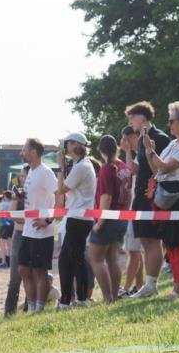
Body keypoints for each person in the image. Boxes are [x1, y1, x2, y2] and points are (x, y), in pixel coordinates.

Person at [143, 102, 179, 300]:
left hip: (178, 199)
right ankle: (176, 286)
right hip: (166, 197)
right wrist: (150, 151)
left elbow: (165, 168)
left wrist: (152, 152)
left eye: (172, 120)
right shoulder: (174, 144)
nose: (169, 124)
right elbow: (156, 169)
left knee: (177, 244)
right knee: (170, 244)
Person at [126, 102, 172, 298]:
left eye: (132, 117)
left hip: (152, 196)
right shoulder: (140, 140)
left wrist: (148, 150)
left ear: (143, 118)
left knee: (153, 240)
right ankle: (149, 284)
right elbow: (134, 169)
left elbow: (161, 170)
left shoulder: (160, 138)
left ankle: (151, 285)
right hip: (140, 196)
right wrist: (128, 149)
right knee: (145, 240)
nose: (130, 122)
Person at [55, 133, 97, 309]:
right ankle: (72, 299)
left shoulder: (81, 166)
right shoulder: (81, 164)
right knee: (69, 259)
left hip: (79, 218)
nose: (65, 147)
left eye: (68, 144)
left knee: (73, 259)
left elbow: (61, 190)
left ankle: (77, 299)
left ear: (76, 145)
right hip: (78, 217)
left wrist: (60, 167)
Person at [89, 135, 132, 303]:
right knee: (112, 259)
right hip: (121, 216)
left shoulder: (107, 168)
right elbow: (128, 194)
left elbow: (106, 197)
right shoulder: (124, 168)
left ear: (101, 151)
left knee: (96, 259)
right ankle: (114, 296)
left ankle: (107, 298)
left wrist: (100, 222)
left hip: (108, 217)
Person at [18, 139, 57, 312]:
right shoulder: (31, 172)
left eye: (24, 149)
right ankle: (32, 306)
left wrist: (48, 220)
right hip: (27, 229)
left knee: (40, 272)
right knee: (24, 270)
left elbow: (61, 199)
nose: (22, 152)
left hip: (42, 231)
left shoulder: (45, 172)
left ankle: (39, 308)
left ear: (34, 152)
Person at [119, 127, 144, 296]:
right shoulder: (138, 155)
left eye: (125, 139)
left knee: (133, 251)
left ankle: (126, 288)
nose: (124, 143)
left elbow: (130, 171)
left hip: (138, 208)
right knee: (134, 251)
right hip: (133, 208)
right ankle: (140, 285)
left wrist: (127, 151)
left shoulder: (140, 153)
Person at [3, 174, 28, 316]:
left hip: (32, 235)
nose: (23, 179)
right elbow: (13, 217)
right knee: (14, 279)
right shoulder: (18, 194)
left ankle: (28, 308)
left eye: (25, 175)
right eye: (22, 176)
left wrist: (25, 220)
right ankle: (9, 311)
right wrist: (15, 198)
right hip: (18, 235)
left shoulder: (36, 193)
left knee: (30, 276)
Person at [0, 191, 14, 268]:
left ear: (5, 196)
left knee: (2, 244)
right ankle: (10, 260)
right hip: (12, 224)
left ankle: (4, 261)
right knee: (10, 244)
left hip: (4, 224)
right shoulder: (13, 203)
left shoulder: (2, 204)